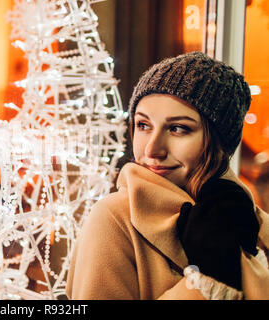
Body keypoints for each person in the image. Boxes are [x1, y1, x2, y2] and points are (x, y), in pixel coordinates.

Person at [66, 52, 269, 300]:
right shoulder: (115, 219)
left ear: (219, 142)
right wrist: (207, 280)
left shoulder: (247, 216)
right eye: (143, 125)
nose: (152, 149)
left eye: (177, 128)